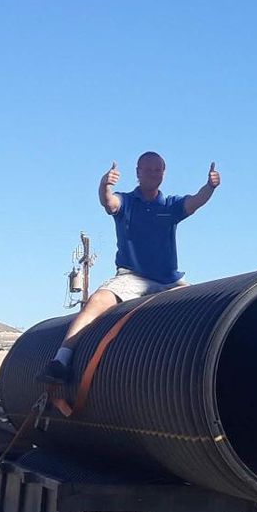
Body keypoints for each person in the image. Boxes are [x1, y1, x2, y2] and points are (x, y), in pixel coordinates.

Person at [38, 152, 220, 387]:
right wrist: (104, 184)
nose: (153, 174)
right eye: (147, 169)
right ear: (137, 173)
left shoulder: (171, 205)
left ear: (163, 174)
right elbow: (108, 201)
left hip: (169, 281)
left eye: (157, 170)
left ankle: (207, 367)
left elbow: (195, 201)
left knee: (206, 305)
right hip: (132, 277)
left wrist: (210, 186)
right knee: (97, 301)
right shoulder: (126, 202)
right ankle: (61, 360)